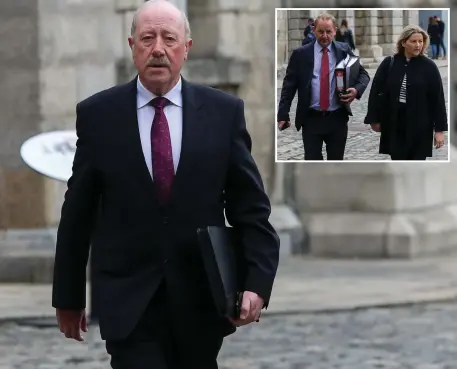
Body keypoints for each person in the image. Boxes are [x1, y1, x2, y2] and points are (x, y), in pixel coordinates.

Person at [51, 1, 280, 368]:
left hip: (201, 299)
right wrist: (68, 296)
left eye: (169, 38)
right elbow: (77, 214)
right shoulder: (98, 116)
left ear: (186, 48)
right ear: (132, 46)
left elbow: (251, 209)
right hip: (128, 300)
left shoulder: (223, 113)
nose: (158, 49)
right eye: (147, 38)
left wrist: (257, 284)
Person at [277, 13, 370, 160]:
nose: (325, 36)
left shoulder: (343, 50)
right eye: (321, 31)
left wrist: (356, 90)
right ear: (314, 29)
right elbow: (289, 86)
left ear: (335, 31)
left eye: (329, 32)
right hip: (311, 119)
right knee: (312, 163)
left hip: (337, 118)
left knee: (336, 163)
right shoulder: (300, 54)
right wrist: (283, 113)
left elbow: (363, 75)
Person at [364, 25, 447, 161]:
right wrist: (374, 119)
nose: (418, 45)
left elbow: (438, 100)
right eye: (413, 41)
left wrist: (439, 130)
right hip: (395, 123)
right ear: (403, 43)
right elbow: (375, 92)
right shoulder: (389, 63)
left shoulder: (429, 66)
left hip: (420, 126)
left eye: (420, 41)